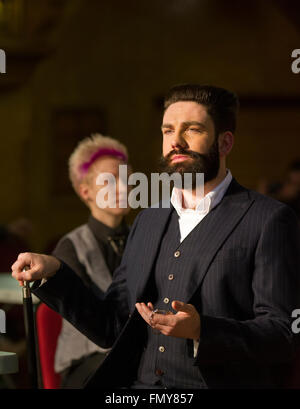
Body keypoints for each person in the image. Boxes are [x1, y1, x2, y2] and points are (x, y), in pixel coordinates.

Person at [12, 85, 300, 389]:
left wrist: (203, 330)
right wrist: (54, 273)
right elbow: (112, 325)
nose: (175, 142)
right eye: (168, 131)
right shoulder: (149, 219)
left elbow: (285, 334)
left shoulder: (268, 220)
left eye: (192, 130)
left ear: (225, 142)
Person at [51, 134, 131, 388]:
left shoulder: (145, 237)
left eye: (127, 179)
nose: (123, 187)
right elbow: (90, 319)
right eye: (110, 181)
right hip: (85, 365)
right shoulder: (70, 247)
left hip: (134, 358)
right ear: (86, 191)